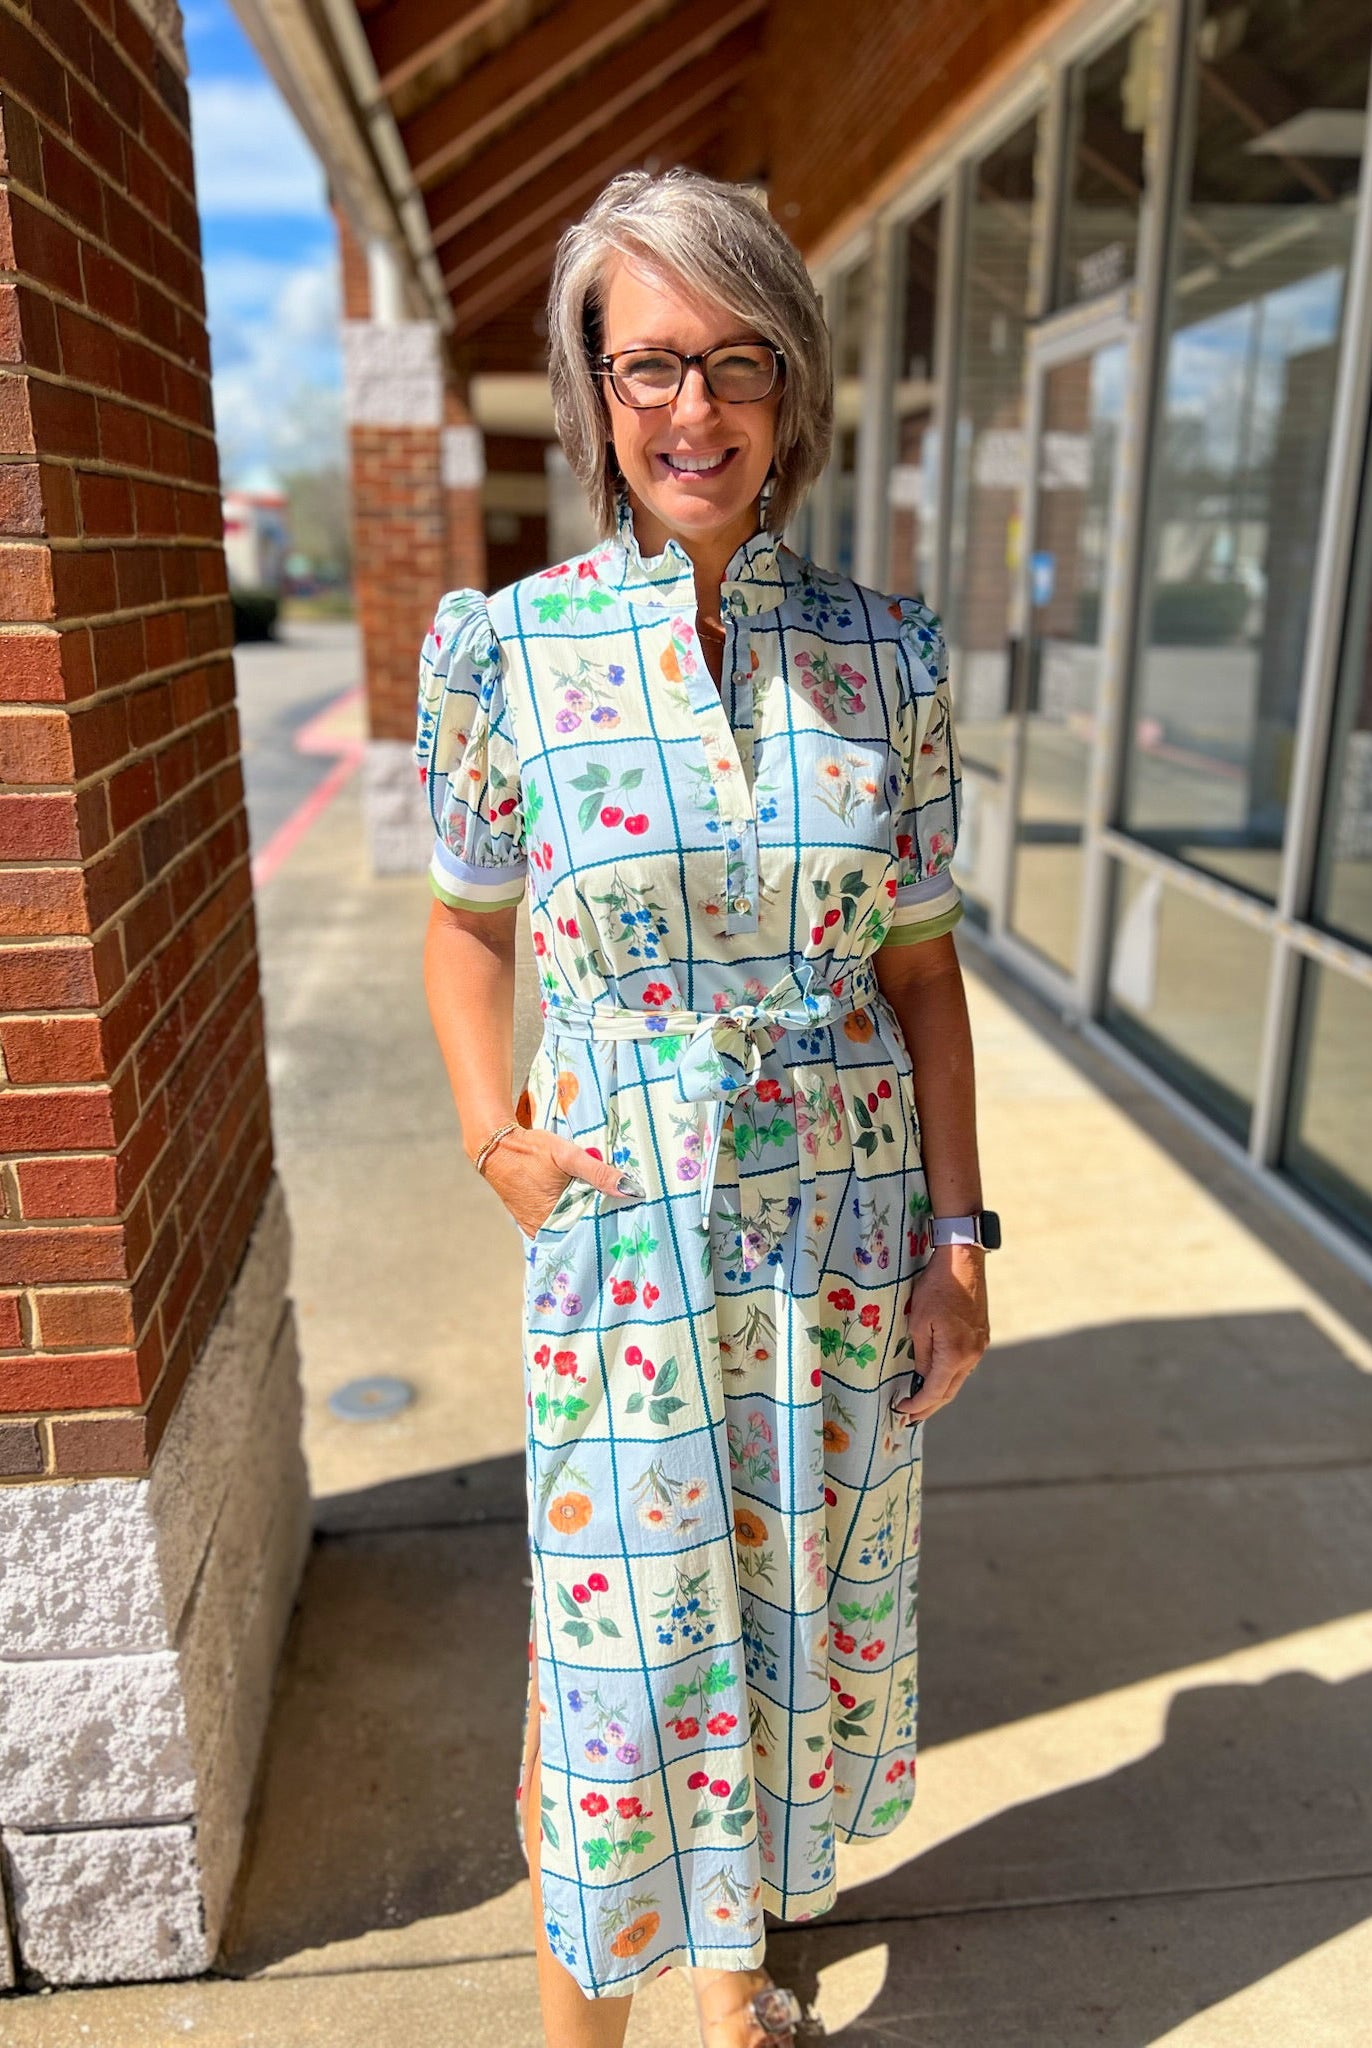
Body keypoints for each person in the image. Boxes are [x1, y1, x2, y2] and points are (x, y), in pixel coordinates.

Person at [417, 168, 992, 2048]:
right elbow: (463, 925)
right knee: (612, 1678)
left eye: (735, 358)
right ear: (592, 391)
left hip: (841, 1247)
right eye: (648, 362)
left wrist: (959, 1241)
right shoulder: (514, 655)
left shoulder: (885, 656)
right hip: (627, 1247)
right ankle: (595, 2031)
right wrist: (500, 1142)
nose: (693, 406)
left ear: (790, 387)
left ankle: (733, 2001)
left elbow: (919, 973)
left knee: (784, 1648)